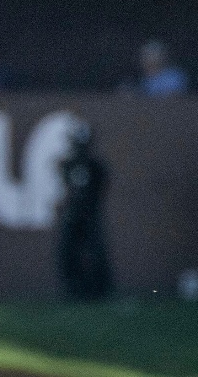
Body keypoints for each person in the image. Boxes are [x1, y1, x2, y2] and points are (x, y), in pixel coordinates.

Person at [56, 121, 112, 300]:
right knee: (67, 252)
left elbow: (99, 189)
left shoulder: (96, 166)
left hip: (90, 214)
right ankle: (73, 290)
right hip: (73, 214)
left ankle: (100, 290)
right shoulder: (67, 164)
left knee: (96, 252)